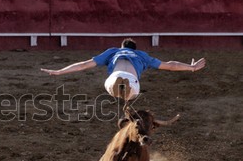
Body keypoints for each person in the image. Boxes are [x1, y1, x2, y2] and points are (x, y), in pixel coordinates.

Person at [41, 38, 206, 101]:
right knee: (131, 94)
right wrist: (191, 67)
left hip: (115, 76)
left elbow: (83, 64)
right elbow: (170, 65)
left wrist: (59, 71)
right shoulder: (142, 55)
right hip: (132, 80)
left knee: (113, 87)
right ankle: (127, 92)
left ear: (122, 47)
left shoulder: (113, 51)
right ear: (135, 49)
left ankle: (118, 88)